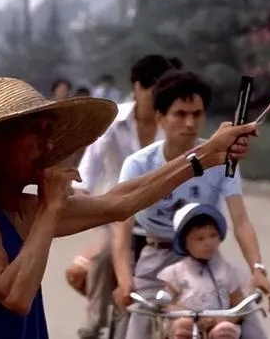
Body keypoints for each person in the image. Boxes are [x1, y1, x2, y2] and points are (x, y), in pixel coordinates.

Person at [0, 76, 258, 339]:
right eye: (35, 133)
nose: (48, 146)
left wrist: (205, 156)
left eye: (48, 133)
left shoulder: (23, 209)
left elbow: (119, 202)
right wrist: (51, 208)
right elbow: (15, 295)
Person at [114, 71, 270, 339]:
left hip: (207, 258)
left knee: (250, 327)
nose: (190, 123)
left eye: (197, 114)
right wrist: (123, 277)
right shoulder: (138, 164)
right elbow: (122, 228)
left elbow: (241, 221)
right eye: (180, 114)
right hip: (155, 264)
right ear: (159, 117)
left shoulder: (223, 161)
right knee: (137, 327)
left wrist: (257, 269)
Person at [67, 54, 183, 339]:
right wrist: (82, 199)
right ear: (136, 87)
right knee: (105, 254)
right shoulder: (113, 120)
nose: (156, 94)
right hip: (113, 211)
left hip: (160, 215)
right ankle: (95, 320)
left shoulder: (174, 123)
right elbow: (89, 169)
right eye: (151, 86)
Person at [160, 203, 247, 339]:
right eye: (200, 239)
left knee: (226, 330)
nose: (208, 243)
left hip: (218, 324)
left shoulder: (227, 271)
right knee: (182, 327)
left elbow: (239, 303)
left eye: (213, 235)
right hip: (189, 323)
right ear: (185, 243)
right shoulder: (176, 272)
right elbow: (167, 304)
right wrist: (189, 315)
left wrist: (226, 318)